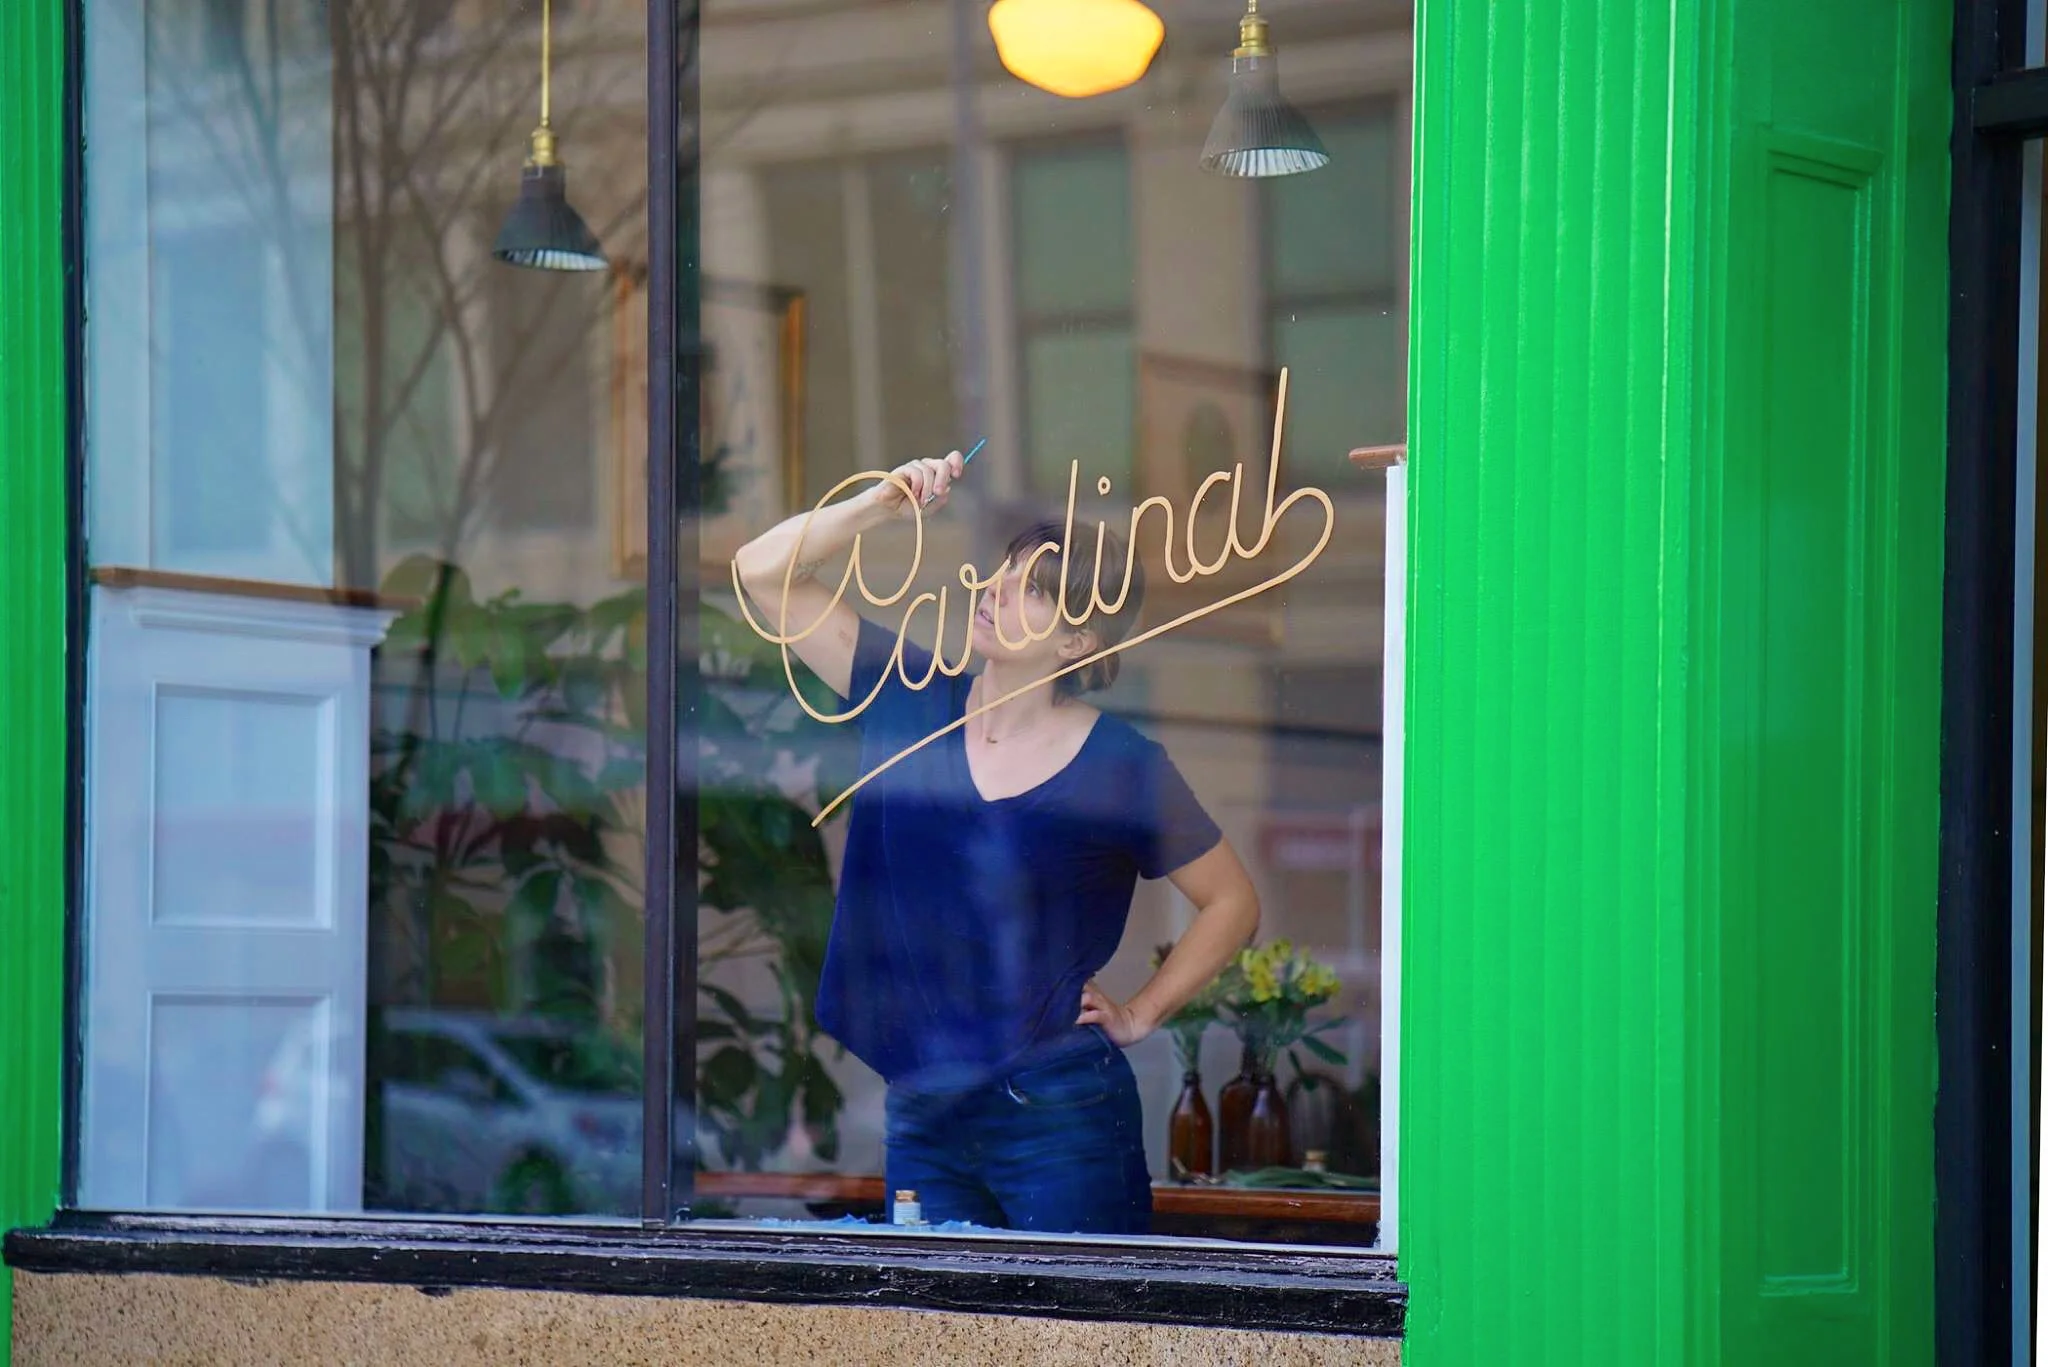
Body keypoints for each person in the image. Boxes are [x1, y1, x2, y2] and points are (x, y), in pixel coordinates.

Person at [732, 448, 1260, 1234]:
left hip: (1059, 1114)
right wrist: (881, 504)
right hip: (925, 1107)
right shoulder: (906, 693)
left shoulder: (1120, 765)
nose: (999, 589)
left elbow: (1232, 902)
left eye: (1035, 589)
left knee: (1079, 1315)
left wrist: (1142, 1012)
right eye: (1007, 569)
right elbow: (760, 571)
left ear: (1078, 643)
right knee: (938, 1310)